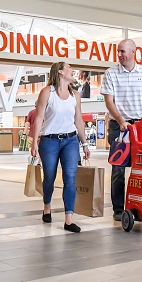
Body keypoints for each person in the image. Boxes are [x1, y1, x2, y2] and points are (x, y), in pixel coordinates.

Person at [102, 39, 142, 221]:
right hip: (118, 126)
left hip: (140, 126)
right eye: (118, 52)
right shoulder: (110, 73)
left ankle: (138, 206)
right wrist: (120, 120)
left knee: (141, 168)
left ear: (133, 52)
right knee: (118, 169)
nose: (119, 55)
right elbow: (109, 102)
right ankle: (119, 209)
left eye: (122, 51)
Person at [30, 61, 90, 233]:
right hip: (49, 140)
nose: (73, 71)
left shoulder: (75, 95)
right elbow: (39, 118)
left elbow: (78, 120)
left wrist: (84, 143)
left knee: (70, 177)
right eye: (70, 68)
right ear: (60, 72)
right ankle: (47, 206)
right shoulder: (47, 93)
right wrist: (34, 142)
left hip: (70, 140)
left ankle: (68, 219)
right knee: (49, 176)